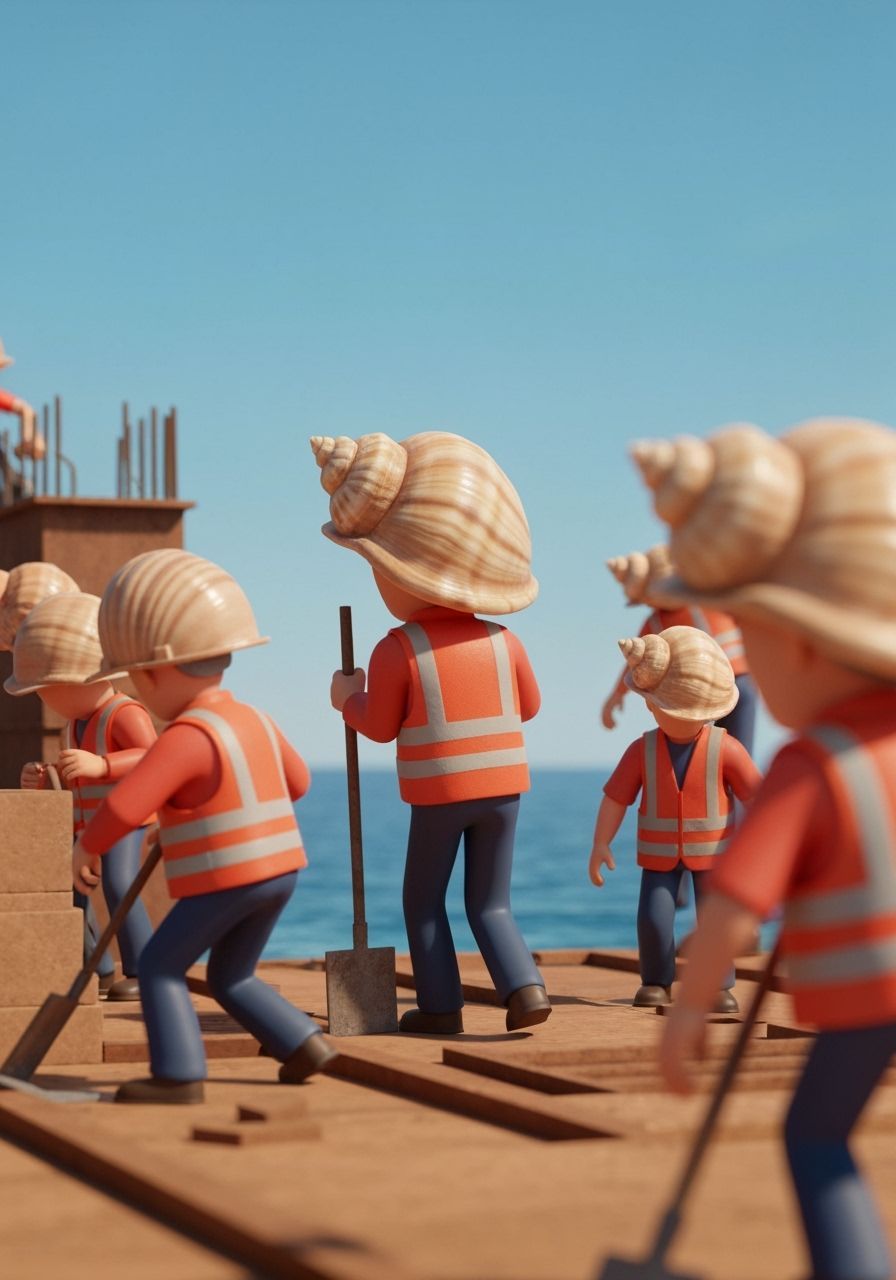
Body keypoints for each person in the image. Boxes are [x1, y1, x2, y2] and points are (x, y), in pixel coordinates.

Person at [634, 417, 896, 1280]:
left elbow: (734, 914)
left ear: (805, 640)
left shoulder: (808, 766)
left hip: (870, 997)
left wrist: (684, 1014)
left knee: (816, 1136)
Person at [72, 549, 335, 1103]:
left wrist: (85, 850)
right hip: (280, 872)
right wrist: (196, 818)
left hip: (229, 878)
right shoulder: (255, 718)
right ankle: (301, 1042)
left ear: (153, 670)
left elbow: (123, 806)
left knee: (164, 968)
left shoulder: (186, 736)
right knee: (231, 975)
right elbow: (298, 782)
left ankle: (178, 1075)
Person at [312, 430, 551, 1034]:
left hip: (441, 795)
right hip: (503, 790)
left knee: (423, 902)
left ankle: (443, 1007)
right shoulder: (505, 641)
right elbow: (530, 705)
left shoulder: (399, 650)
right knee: (489, 901)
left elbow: (380, 726)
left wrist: (347, 698)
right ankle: (524, 989)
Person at [589, 625, 760, 1009]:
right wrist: (601, 843)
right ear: (650, 705)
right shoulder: (642, 750)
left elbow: (758, 796)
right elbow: (616, 797)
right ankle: (656, 980)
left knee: (715, 919)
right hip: (659, 857)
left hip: (714, 854)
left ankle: (717, 984)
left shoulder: (725, 748)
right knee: (653, 918)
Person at [9, 592, 156, 998]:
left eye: (51, 689)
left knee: (120, 882)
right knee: (72, 890)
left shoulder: (124, 713)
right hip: (88, 823)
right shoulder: (75, 724)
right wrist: (45, 777)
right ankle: (97, 966)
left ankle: (143, 971)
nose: (48, 700)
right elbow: (75, 776)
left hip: (123, 818)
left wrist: (102, 766)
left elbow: (152, 755)